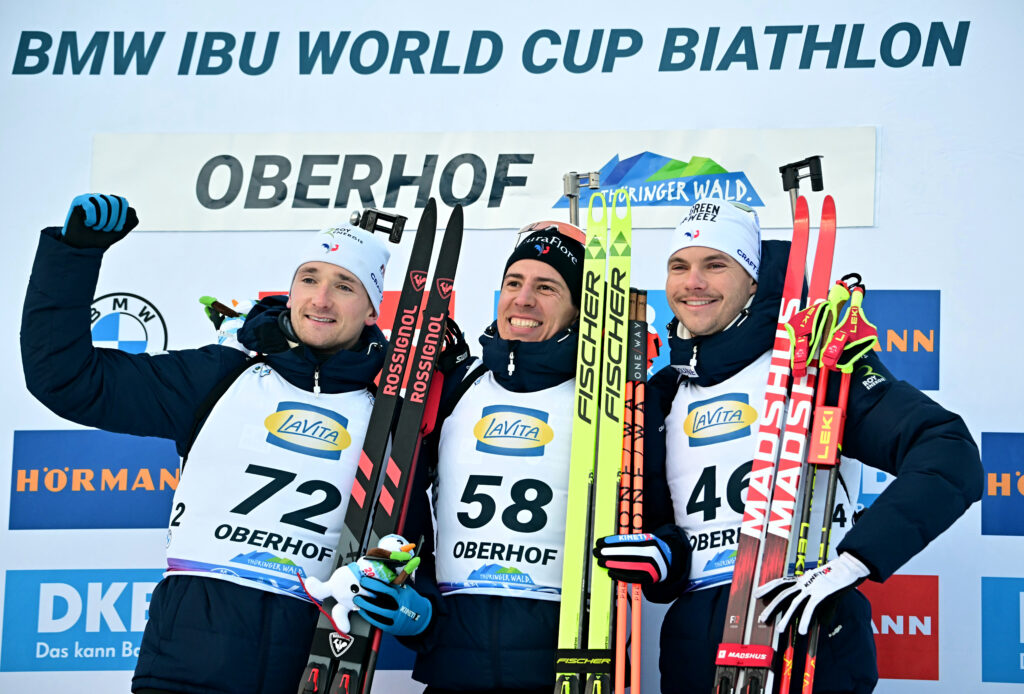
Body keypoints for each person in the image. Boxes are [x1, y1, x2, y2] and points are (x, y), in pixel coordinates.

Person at [594, 197, 983, 693]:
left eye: (716, 264)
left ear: (753, 282)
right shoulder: (662, 393)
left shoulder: (815, 367)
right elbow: (667, 532)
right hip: (693, 649)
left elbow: (947, 452)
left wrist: (853, 561)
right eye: (679, 266)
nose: (693, 282)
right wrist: (664, 556)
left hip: (804, 638)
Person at [21, 193, 394, 694]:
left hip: (311, 669)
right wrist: (73, 255)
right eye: (309, 279)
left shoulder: (390, 415)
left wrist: (413, 609)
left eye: (344, 286)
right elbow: (67, 379)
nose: (320, 300)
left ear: (371, 309)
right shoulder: (221, 376)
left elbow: (402, 550)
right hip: (186, 666)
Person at [352, 221, 586, 693]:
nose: (523, 300)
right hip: (454, 668)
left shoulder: (604, 399)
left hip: (561, 670)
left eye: (547, 288)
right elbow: (406, 506)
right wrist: (419, 608)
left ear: (578, 309)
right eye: (514, 283)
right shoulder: (457, 386)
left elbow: (650, 518)